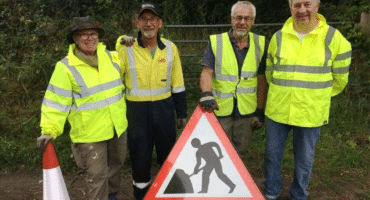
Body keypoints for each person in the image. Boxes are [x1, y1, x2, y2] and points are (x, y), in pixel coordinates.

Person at [264, 0, 352, 199]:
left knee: (304, 160)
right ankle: (271, 191)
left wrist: (318, 96)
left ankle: (298, 194)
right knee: (271, 155)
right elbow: (270, 73)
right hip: (278, 108)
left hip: (311, 110)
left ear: (317, 6)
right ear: (290, 8)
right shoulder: (278, 37)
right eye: (296, 5)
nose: (302, 10)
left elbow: (340, 77)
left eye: (307, 4)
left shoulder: (333, 37)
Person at [36, 16, 128, 200]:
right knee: (97, 176)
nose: (89, 38)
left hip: (117, 127)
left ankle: (112, 196)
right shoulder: (65, 67)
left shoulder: (111, 57)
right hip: (89, 135)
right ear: (75, 39)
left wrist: (123, 39)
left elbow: (126, 48)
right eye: (83, 34)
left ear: (98, 37)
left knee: (116, 165)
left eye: (92, 33)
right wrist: (49, 130)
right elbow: (56, 101)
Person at [115, 3, 187, 200]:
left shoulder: (171, 48)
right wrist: (119, 42)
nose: (149, 24)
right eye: (144, 20)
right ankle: (142, 195)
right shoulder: (126, 48)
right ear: (137, 23)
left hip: (164, 110)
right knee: (140, 157)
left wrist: (181, 114)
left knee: (167, 155)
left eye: (152, 19)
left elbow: (178, 83)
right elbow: (113, 73)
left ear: (160, 23)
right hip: (137, 113)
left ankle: (168, 195)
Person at [199, 1, 268, 156]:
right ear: (231, 19)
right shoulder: (216, 42)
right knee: (215, 149)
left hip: (246, 109)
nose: (242, 22)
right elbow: (207, 72)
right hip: (219, 107)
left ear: (253, 21)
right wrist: (206, 94)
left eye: (247, 18)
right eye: (238, 18)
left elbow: (262, 80)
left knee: (240, 152)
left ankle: (235, 179)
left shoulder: (261, 44)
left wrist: (260, 111)